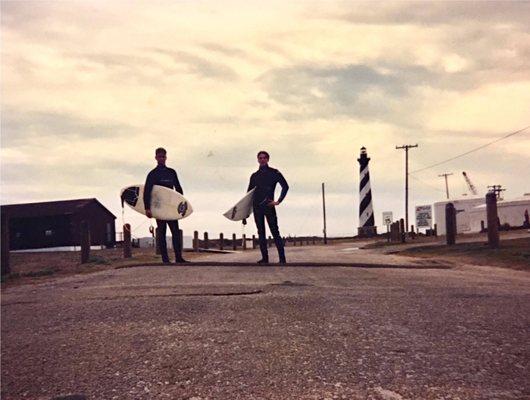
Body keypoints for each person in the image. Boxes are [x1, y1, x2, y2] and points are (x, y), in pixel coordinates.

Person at [144, 147, 187, 264]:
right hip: (159, 208)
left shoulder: (171, 172)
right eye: (159, 156)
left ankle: (179, 257)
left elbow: (178, 189)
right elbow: (147, 191)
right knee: (161, 233)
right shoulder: (152, 174)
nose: (161, 159)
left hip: (171, 208)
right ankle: (165, 259)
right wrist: (147, 208)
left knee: (175, 232)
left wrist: (181, 205)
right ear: (156, 158)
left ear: (166, 157)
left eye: (163, 156)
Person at [247, 151, 289, 264]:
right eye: (260, 158)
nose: (262, 160)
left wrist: (278, 201)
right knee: (261, 233)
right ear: (257, 159)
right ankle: (265, 258)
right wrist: (245, 213)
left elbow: (285, 186)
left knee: (275, 231)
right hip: (257, 207)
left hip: (269, 205)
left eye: (264, 158)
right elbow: (248, 195)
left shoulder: (274, 173)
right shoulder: (254, 176)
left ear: (268, 159)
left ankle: (282, 259)